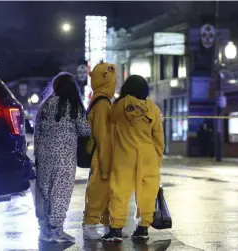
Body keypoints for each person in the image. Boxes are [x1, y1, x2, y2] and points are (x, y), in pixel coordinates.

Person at [102, 75, 164, 242]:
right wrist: (157, 158)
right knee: (148, 193)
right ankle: (143, 227)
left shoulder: (120, 105)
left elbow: (111, 118)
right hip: (148, 155)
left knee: (119, 191)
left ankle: (116, 229)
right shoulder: (154, 109)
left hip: (125, 155)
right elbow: (158, 138)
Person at [34, 72, 91, 243]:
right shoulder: (73, 106)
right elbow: (85, 130)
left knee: (44, 191)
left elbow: (37, 131)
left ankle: (44, 229)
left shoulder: (45, 105)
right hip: (64, 158)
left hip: (44, 156)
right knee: (60, 192)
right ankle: (56, 230)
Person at [82, 61, 117, 239]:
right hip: (102, 155)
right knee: (99, 189)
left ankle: (105, 225)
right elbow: (103, 137)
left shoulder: (98, 99)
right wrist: (104, 166)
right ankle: (90, 225)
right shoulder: (103, 103)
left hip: (101, 154)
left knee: (106, 192)